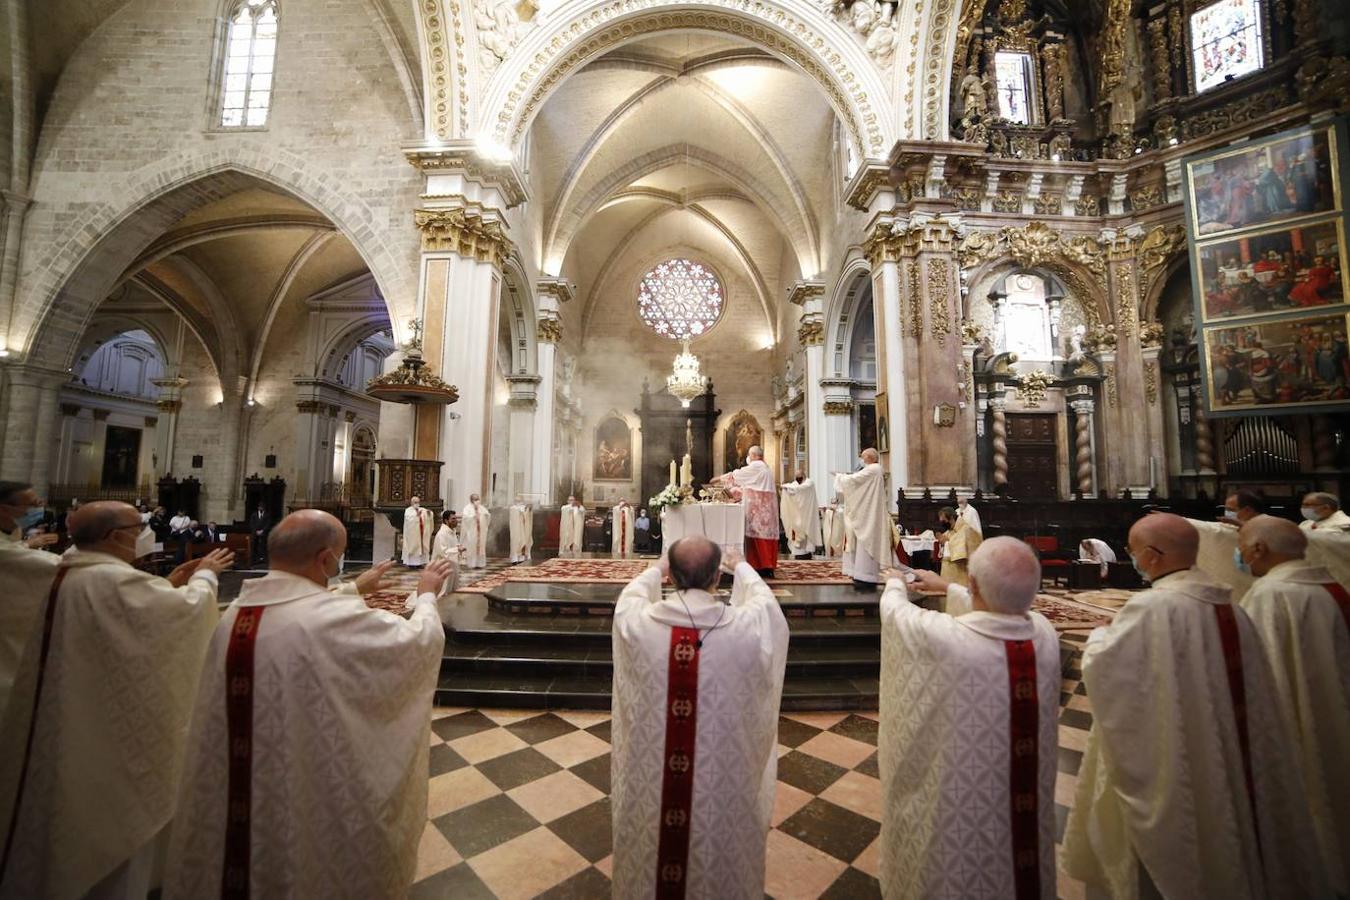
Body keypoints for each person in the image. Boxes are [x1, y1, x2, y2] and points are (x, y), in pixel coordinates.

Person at [162, 512, 449, 898]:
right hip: (305, 788)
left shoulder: (236, 615)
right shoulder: (331, 620)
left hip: (243, 787)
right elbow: (418, 643)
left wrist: (351, 589)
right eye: (341, 555)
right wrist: (428, 593)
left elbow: (299, 608)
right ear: (325, 558)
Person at [1063, 513, 1328, 899]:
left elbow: (1106, 669)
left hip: (1182, 750)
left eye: (1133, 551)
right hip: (1226, 743)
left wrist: (1104, 635)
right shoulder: (1232, 605)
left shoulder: (1154, 608)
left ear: (1151, 556)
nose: (1132, 558)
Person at [0, 501, 233, 900]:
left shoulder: (76, 571)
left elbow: (134, 616)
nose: (142, 530)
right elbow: (188, 613)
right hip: (106, 734)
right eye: (136, 525)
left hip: (82, 711)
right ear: (116, 536)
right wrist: (206, 578)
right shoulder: (107, 579)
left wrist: (171, 583)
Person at [879, 539, 1059, 900]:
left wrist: (895, 583)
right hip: (1020, 802)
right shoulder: (1045, 635)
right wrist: (947, 586)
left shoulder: (949, 640)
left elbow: (897, 615)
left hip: (958, 808)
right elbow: (999, 605)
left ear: (974, 584)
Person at [610, 538, 788, 898]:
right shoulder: (746, 631)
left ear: (672, 580)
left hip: (656, 788)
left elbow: (628, 598)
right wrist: (741, 566)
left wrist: (654, 570)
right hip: (719, 787)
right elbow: (767, 607)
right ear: (716, 580)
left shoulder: (637, 625)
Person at [1236, 515, 1349, 896]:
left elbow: (1257, 667)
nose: (1239, 556)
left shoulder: (1273, 595)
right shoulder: (1331, 585)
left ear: (1258, 549)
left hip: (1292, 720)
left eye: (1240, 548)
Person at [0, 482, 61, 723]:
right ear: (5, 509)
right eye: (34, 505)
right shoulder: (10, 550)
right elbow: (66, 570)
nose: (40, 509)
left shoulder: (12, 534)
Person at [714, 445, 779, 577]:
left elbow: (738, 475)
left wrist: (718, 479)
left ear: (755, 456)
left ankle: (761, 567)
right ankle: (768, 566)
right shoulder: (766, 468)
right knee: (765, 538)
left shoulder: (756, 467)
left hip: (758, 510)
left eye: (749, 455)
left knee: (757, 537)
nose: (748, 458)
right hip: (766, 509)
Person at [834, 449, 891, 591]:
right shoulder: (873, 469)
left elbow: (854, 480)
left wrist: (839, 476)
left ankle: (867, 577)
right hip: (868, 511)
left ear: (871, 457)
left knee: (867, 543)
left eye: (863, 456)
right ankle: (861, 575)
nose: (861, 458)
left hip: (870, 514)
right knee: (862, 544)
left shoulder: (874, 469)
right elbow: (857, 481)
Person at [780, 470, 821, 559]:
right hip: (797, 513)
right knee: (796, 529)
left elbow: (801, 488)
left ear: (804, 475)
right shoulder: (795, 484)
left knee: (806, 532)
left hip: (807, 513)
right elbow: (792, 490)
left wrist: (786, 486)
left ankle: (806, 552)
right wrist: (786, 489)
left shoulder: (809, 483)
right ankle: (798, 553)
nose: (798, 479)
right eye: (796, 477)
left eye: (799, 477)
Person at [936, 505, 981, 587]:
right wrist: (942, 541)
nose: (942, 523)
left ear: (952, 518)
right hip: (948, 571)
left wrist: (946, 543)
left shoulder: (966, 529)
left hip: (960, 571)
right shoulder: (950, 530)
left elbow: (960, 550)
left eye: (944, 521)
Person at [432, 510, 462, 594]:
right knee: (442, 590)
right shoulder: (441, 534)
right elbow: (443, 552)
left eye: (456, 519)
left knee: (452, 588)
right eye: (453, 519)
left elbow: (454, 545)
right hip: (442, 565)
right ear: (446, 520)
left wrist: (458, 547)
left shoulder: (452, 531)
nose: (456, 521)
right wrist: (457, 549)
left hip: (452, 564)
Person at [400, 496, 434, 568]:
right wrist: (416, 516)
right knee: (414, 548)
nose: (417, 504)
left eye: (418, 502)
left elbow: (429, 515)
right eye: (415, 502)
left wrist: (429, 513)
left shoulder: (422, 509)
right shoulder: (408, 511)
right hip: (413, 535)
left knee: (422, 547)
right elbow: (409, 520)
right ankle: (412, 563)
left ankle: (421, 563)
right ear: (411, 503)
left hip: (422, 533)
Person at [460, 494, 490, 569]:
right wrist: (473, 516)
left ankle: (480, 563)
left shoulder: (481, 508)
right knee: (472, 547)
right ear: (471, 500)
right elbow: (466, 518)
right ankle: (472, 563)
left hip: (480, 532)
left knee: (481, 548)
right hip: (472, 532)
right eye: (475, 499)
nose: (477, 501)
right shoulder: (467, 508)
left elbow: (487, 515)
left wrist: (486, 516)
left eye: (478, 499)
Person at [508, 498, 533, 564]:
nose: (519, 502)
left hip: (522, 527)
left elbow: (525, 515)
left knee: (523, 540)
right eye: (518, 501)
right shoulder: (513, 508)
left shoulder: (522, 508)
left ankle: (521, 557)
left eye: (520, 501)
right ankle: (514, 558)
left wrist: (528, 510)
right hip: (515, 528)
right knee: (516, 541)